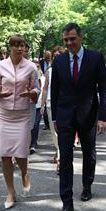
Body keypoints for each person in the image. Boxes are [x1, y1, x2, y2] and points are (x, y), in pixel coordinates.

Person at [51, 23, 106, 211]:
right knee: (65, 158)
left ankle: (87, 184)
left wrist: (103, 117)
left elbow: (104, 88)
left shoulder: (95, 58)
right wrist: (55, 119)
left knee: (89, 153)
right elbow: (55, 91)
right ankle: (67, 202)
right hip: (66, 116)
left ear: (81, 38)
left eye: (72, 39)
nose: (69, 43)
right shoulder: (58, 62)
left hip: (89, 115)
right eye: (65, 40)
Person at [0, 35, 39, 209]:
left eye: (22, 46)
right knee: (5, 154)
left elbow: (36, 89)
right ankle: (10, 192)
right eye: (16, 45)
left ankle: (25, 172)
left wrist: (31, 93)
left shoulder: (31, 67)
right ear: (10, 47)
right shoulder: (0, 65)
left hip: (21, 115)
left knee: (20, 153)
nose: (20, 49)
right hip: (4, 114)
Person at [40, 45, 65, 173]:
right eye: (55, 56)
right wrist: (43, 104)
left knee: (62, 131)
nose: (57, 58)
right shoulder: (49, 71)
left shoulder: (68, 69)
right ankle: (58, 151)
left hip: (65, 104)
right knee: (54, 132)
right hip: (51, 104)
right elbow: (45, 88)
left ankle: (61, 157)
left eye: (59, 55)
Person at [30, 62, 44, 154]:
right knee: (29, 126)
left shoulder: (43, 78)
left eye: (37, 67)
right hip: (29, 106)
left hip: (38, 106)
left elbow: (46, 91)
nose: (36, 68)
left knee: (35, 125)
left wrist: (44, 104)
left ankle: (33, 144)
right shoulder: (28, 77)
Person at [40, 50, 52, 130]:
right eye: (46, 56)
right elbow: (45, 88)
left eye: (49, 56)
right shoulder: (41, 62)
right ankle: (47, 124)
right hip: (43, 80)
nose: (47, 58)